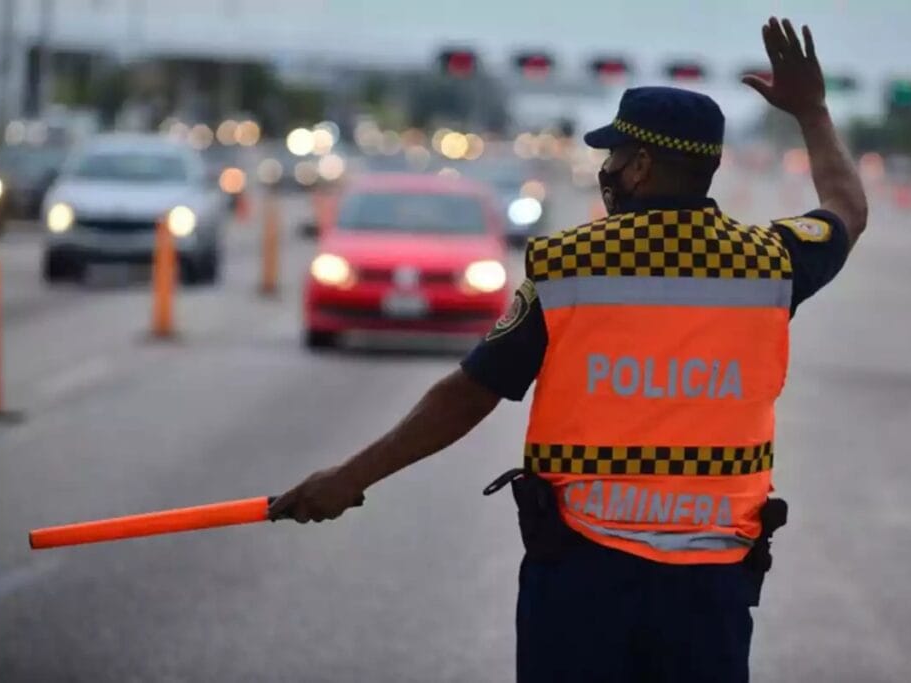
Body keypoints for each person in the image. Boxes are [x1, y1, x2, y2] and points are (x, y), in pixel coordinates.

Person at [269, 17, 868, 682]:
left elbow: (471, 392)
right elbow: (846, 206)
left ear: (639, 166)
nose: (605, 170)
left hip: (585, 573)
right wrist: (812, 111)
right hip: (713, 582)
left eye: (612, 157)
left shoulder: (570, 264)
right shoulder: (771, 263)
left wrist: (352, 475)